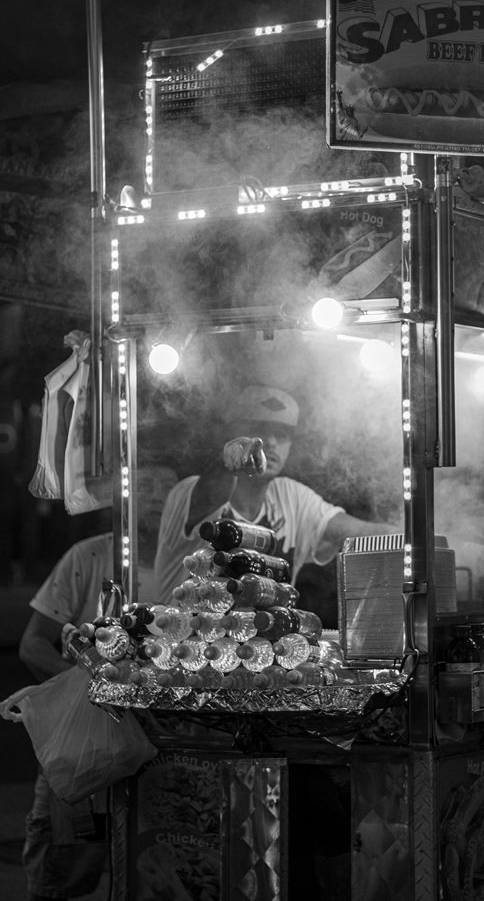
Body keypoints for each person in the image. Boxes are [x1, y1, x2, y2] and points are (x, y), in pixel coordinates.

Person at [18, 463, 178, 901]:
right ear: (124, 499)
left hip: (161, 740)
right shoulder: (88, 556)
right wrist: (89, 686)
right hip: (83, 738)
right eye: (146, 490)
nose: (158, 500)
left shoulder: (189, 573)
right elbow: (33, 645)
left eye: (169, 492)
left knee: (158, 865)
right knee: (65, 865)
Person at [154, 384, 396, 620]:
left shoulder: (292, 496)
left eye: (281, 435)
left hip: (263, 652)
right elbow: (211, 493)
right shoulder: (189, 490)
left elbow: (359, 534)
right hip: (184, 647)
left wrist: (422, 531)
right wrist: (228, 462)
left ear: (290, 446)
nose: (269, 442)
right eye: (258, 430)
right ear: (234, 433)